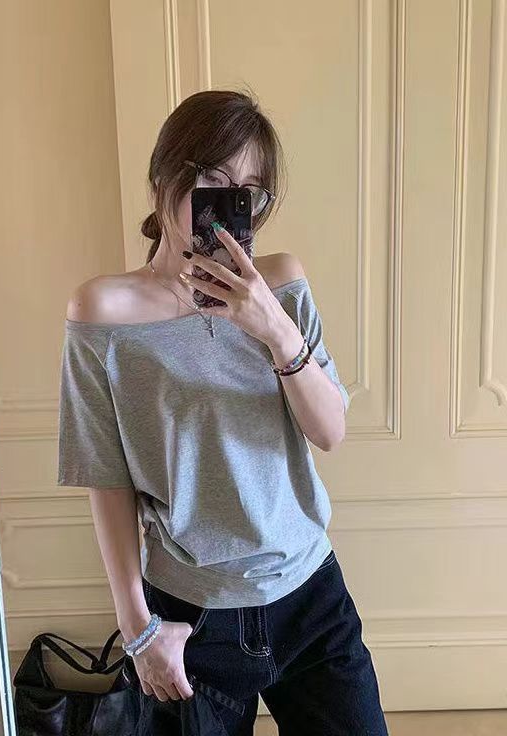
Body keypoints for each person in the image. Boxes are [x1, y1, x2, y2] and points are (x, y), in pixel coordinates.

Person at [57, 89, 389, 735]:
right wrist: (138, 629)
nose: (229, 204)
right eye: (211, 179)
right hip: (191, 614)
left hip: (309, 596)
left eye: (248, 192)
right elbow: (106, 476)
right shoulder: (102, 314)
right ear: (164, 178)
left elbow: (330, 432)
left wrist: (275, 330)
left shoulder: (281, 284)